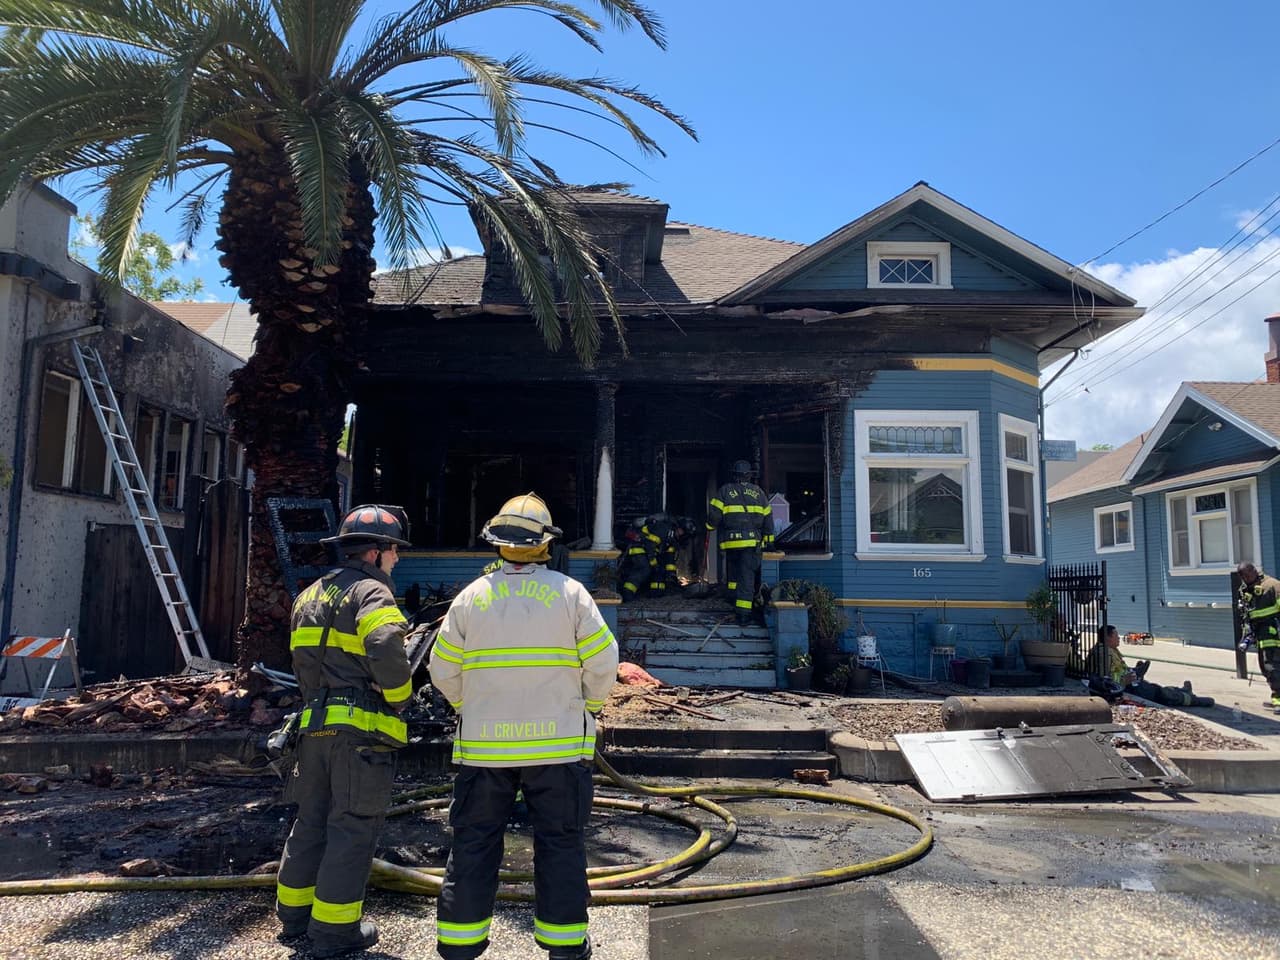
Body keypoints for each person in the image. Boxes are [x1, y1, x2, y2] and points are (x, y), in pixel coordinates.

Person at [429, 492, 618, 960]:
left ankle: (459, 943)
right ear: (544, 543)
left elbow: (441, 669)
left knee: (474, 842)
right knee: (560, 842)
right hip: (558, 749)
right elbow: (603, 663)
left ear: (498, 543)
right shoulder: (571, 594)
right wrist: (588, 707)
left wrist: (470, 706)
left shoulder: (470, 598)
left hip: (484, 751)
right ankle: (564, 944)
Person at [276, 504, 415, 957]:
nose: (397, 559)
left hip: (312, 728)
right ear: (375, 553)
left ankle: (294, 917)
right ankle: (335, 932)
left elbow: (302, 662)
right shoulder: (372, 591)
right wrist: (399, 695)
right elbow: (384, 642)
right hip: (357, 736)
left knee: (310, 822)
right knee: (352, 827)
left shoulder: (309, 596)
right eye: (394, 551)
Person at [706, 459, 774, 624]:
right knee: (746, 578)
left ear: (735, 476)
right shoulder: (759, 493)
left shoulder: (725, 491)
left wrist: (709, 526)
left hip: (731, 543)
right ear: (749, 476)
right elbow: (768, 519)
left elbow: (714, 515)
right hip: (751, 544)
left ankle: (732, 600)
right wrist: (769, 541)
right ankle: (743, 614)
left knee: (733, 574)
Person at [1085, 625, 1214, 708]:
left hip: (1127, 684)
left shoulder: (1104, 650)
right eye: (1116, 636)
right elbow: (1106, 680)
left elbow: (1113, 672)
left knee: (1155, 687)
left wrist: (1131, 672)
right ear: (1107, 638)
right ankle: (1193, 700)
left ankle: (1183, 691)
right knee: (1160, 693)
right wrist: (1124, 680)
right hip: (1126, 689)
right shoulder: (1105, 655)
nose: (1119, 638)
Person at [1236, 562, 1280, 711]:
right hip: (1259, 634)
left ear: (1255, 571)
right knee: (1265, 667)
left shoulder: (1272, 586)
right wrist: (1247, 636)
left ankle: (1278, 699)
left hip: (1274, 633)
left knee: (1272, 667)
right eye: (1243, 576)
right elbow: (1246, 615)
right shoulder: (1244, 590)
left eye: (1248, 574)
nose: (1246, 578)